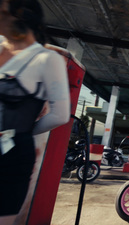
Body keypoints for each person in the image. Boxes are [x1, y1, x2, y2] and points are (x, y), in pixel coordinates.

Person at [0, 0, 70, 224]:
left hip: (11, 155)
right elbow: (59, 114)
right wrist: (25, 131)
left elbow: (61, 115)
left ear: (20, 17)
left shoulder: (46, 58)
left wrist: (24, 133)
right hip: (14, 142)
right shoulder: (46, 59)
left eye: (2, 13)